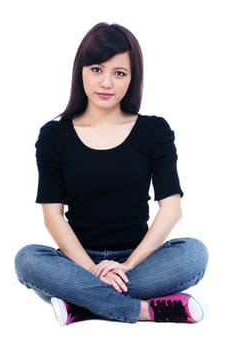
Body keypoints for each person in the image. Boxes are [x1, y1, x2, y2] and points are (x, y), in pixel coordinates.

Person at [14, 22, 208, 326]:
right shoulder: (54, 135)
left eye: (119, 73)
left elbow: (172, 209)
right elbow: (53, 216)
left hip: (139, 260)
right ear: (81, 71)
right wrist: (91, 270)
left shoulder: (154, 131)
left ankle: (81, 304)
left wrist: (126, 265)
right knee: (26, 260)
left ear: (133, 79)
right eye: (96, 69)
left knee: (195, 253)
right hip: (76, 261)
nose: (106, 82)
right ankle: (142, 310)